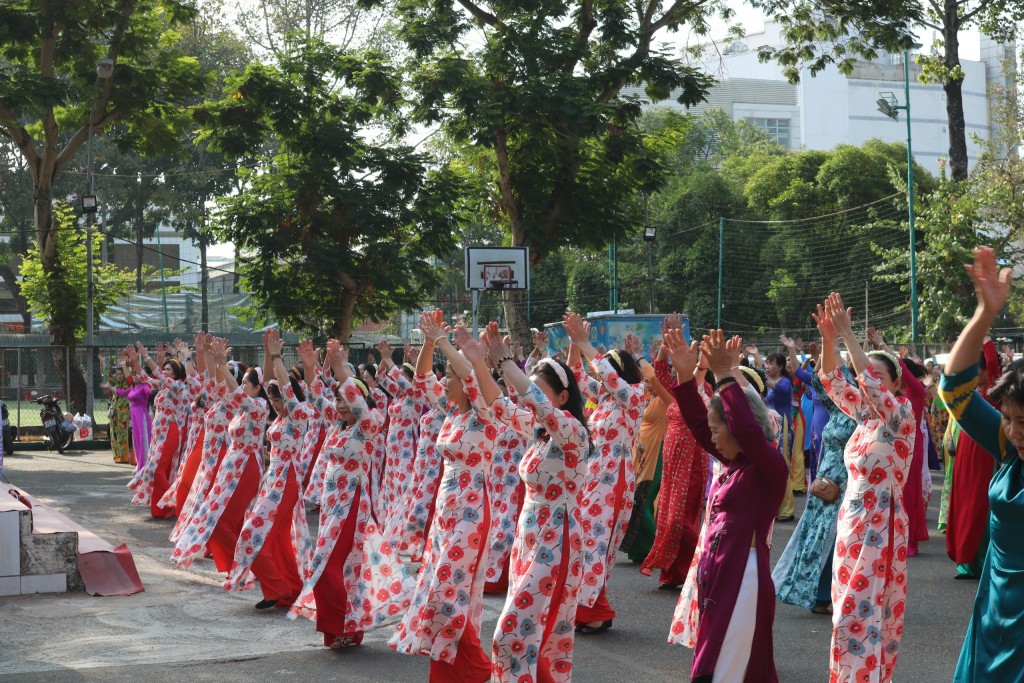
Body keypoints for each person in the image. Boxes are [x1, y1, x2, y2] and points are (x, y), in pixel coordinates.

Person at [664, 327, 788, 683]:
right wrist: (687, 378)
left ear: (736, 427)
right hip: (720, 572)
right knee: (714, 666)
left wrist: (723, 376)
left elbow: (748, 432)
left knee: (725, 671)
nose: (713, 435)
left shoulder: (768, 468)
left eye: (721, 427)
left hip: (743, 577)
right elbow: (701, 428)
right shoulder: (737, 465)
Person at [390, 312, 501, 682]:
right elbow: (421, 379)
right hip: (446, 510)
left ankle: (480, 669)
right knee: (438, 592)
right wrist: (427, 343)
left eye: (450, 377)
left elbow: (470, 374)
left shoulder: (484, 415)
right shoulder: (452, 414)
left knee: (445, 595)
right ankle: (453, 672)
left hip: (471, 513)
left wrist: (444, 342)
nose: (445, 382)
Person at [815, 292, 915, 683]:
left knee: (861, 617)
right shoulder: (866, 419)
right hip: (851, 525)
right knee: (847, 612)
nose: (864, 380)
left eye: (876, 376)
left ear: (895, 385)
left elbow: (867, 385)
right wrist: (829, 340)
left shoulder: (900, 417)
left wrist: (851, 336)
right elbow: (832, 381)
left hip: (881, 527)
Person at [485, 321, 590, 683]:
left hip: (556, 541)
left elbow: (533, 401)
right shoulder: (540, 433)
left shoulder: (573, 433)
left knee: (512, 637)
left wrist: (506, 364)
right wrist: (474, 359)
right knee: (536, 639)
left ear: (562, 398)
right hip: (529, 539)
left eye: (543, 394)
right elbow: (498, 405)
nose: (532, 399)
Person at [937, 246, 1024, 681]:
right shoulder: (1009, 450)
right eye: (1008, 419)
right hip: (993, 615)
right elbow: (954, 390)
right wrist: (984, 316)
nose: (1013, 431)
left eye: (1023, 421)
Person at [290, 339, 413, 648]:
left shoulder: (369, 425)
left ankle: (345, 625)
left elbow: (357, 403)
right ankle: (343, 629)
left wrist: (341, 369)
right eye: (339, 401)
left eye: (347, 400)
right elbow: (317, 397)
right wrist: (309, 367)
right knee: (339, 570)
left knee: (328, 567)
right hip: (332, 508)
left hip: (351, 507)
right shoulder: (339, 426)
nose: (342, 406)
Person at [564, 312, 643, 634]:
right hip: (595, 475)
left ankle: (595, 610)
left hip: (616, 478)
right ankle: (590, 608)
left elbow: (608, 378)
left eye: (610, 366)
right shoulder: (607, 400)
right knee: (586, 542)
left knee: (598, 544)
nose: (604, 373)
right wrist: (574, 344)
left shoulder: (633, 397)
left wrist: (586, 344)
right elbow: (576, 377)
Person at [223, 328, 311, 609]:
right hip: (272, 480)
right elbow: (271, 382)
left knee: (252, 535)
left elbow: (284, 388)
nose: (276, 404)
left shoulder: (300, 415)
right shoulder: (279, 418)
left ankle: (277, 589)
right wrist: (269, 359)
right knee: (277, 540)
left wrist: (275, 356)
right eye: (273, 400)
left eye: (280, 400)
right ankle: (290, 588)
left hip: (287, 483)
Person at [773, 338, 856, 615]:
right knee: (814, 538)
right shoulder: (836, 407)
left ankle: (833, 594)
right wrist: (825, 339)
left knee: (836, 540)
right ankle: (816, 595)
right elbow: (821, 380)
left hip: (847, 485)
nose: (838, 385)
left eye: (843, 380)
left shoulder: (862, 412)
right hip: (823, 483)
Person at [172, 337, 269, 571]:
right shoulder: (227, 403)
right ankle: (230, 560)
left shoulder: (252, 406)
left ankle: (239, 564)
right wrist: (205, 356)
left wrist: (220, 364)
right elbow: (208, 382)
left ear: (257, 388)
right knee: (207, 508)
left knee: (221, 517)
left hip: (237, 463)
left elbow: (230, 390)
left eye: (246, 383)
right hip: (219, 459)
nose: (242, 386)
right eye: (242, 382)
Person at [640, 315, 710, 588]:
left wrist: (701, 365)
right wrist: (665, 342)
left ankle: (705, 560)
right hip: (672, 459)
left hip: (692, 459)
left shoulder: (704, 392)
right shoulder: (678, 392)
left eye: (693, 357)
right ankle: (672, 573)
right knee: (668, 516)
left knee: (682, 519)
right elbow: (658, 370)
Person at [946, 337, 1001, 578]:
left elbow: (994, 368)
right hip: (964, 455)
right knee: (963, 504)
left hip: (984, 456)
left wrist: (986, 339)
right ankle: (965, 561)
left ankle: (977, 561)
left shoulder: (993, 392)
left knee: (979, 506)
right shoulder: (967, 392)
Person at [126, 342, 191, 518]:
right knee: (162, 470)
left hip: (170, 432)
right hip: (159, 433)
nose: (165, 372)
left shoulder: (179, 387)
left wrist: (147, 357)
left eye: (168, 369)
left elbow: (160, 377)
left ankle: (170, 502)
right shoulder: (164, 387)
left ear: (176, 373)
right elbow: (144, 378)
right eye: (165, 369)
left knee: (156, 470)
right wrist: (136, 361)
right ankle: (163, 509)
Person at [101, 353, 133, 465]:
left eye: (120, 374)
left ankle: (124, 457)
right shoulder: (115, 383)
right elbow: (107, 375)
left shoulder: (128, 384)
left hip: (123, 415)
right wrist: (103, 361)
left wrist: (126, 364)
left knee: (122, 436)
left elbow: (131, 375)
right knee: (113, 435)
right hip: (113, 414)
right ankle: (117, 456)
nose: (118, 376)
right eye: (117, 374)